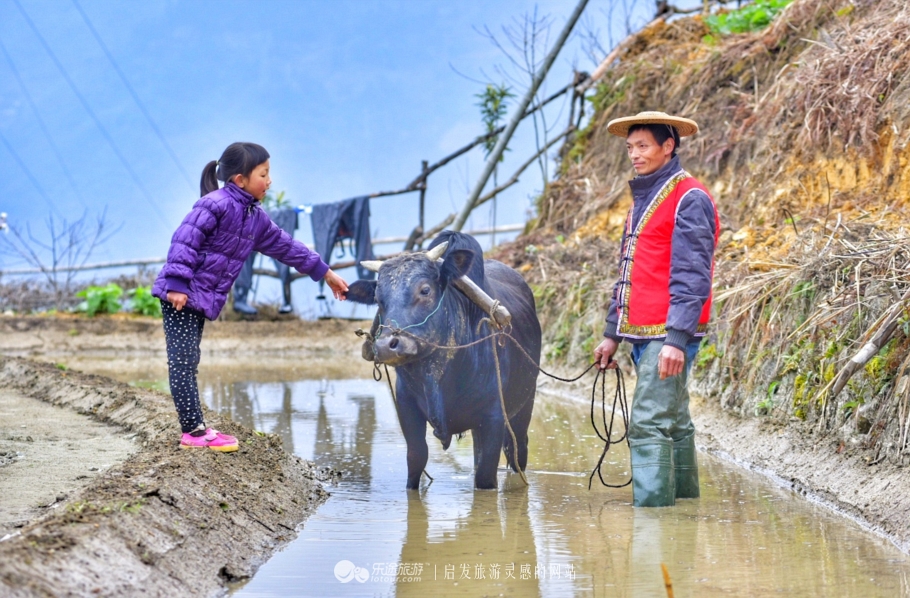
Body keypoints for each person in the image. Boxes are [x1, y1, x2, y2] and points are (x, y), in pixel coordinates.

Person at [152, 142, 349, 452]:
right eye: (263, 174)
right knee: (183, 361)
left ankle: (196, 428)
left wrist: (326, 273)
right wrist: (177, 283)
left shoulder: (254, 217)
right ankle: (193, 432)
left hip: (199, 298)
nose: (269, 181)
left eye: (269, 174)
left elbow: (287, 247)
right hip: (181, 293)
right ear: (239, 179)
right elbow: (184, 241)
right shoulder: (214, 204)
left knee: (189, 360)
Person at [593, 111, 719, 507]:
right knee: (675, 424)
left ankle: (652, 524)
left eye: (643, 145)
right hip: (647, 333)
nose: (634, 154)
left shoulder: (690, 197)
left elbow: (693, 274)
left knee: (646, 425)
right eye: (630, 147)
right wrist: (612, 334)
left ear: (669, 146)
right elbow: (628, 274)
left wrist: (677, 340)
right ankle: (682, 513)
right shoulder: (642, 203)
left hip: (668, 335)